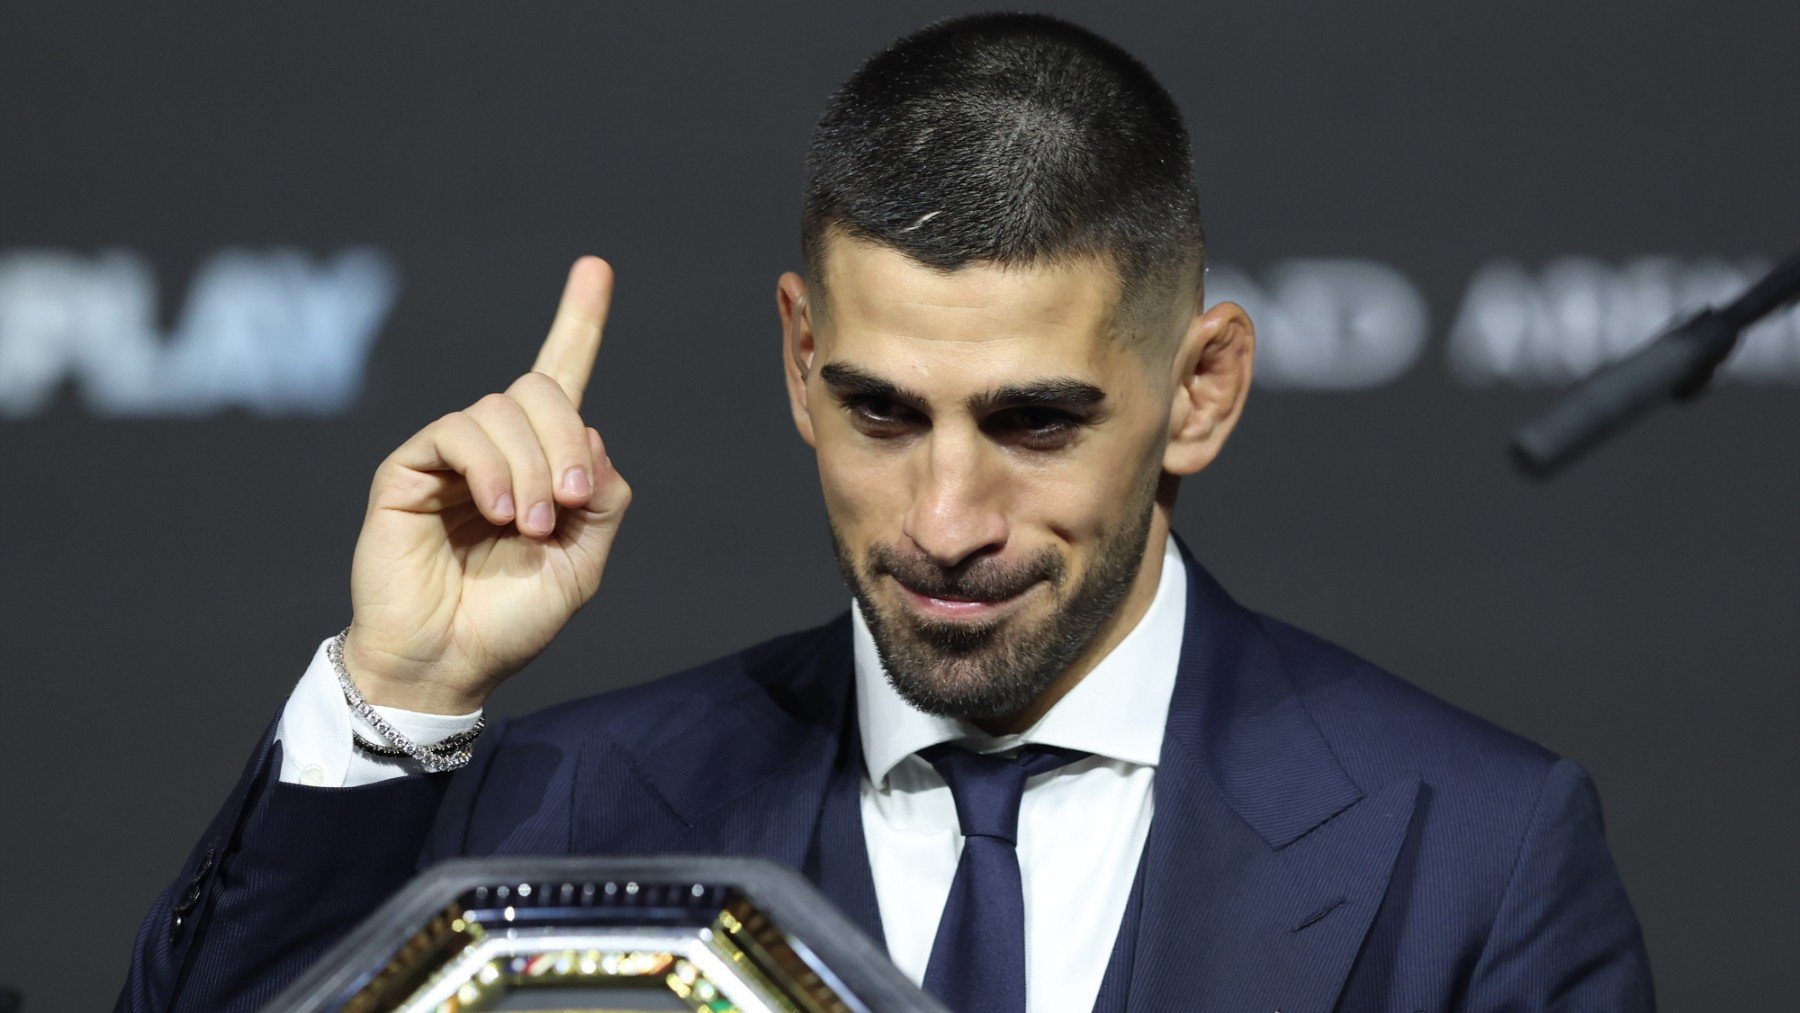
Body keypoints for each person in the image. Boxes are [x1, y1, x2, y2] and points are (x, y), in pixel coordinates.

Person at [117, 12, 1654, 1012]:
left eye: (1036, 419)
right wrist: (398, 698)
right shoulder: (565, 813)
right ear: (801, 358)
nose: (945, 514)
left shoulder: (1477, 852)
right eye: (880, 410)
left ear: (1201, 388)